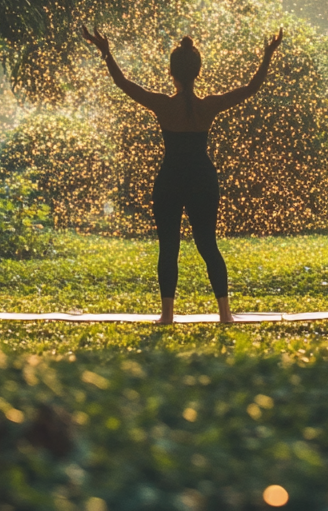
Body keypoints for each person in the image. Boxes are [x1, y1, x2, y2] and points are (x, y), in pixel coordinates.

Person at [82, 26, 283, 324]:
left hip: (170, 181)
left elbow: (123, 83)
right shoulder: (208, 105)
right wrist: (267, 54)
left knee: (169, 248)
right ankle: (225, 314)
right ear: (198, 72)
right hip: (202, 180)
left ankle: (167, 315)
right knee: (208, 245)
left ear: (171, 72)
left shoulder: (163, 105)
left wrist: (106, 51)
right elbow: (251, 88)